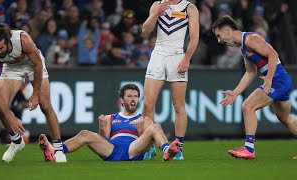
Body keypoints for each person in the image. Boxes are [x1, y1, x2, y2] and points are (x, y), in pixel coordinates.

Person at [211, 15, 297, 160]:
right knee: (285, 118)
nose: (219, 40)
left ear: (227, 30)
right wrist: (235, 93)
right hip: (279, 80)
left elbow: (273, 54)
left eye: (219, 36)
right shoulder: (244, 48)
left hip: (277, 80)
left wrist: (269, 78)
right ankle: (248, 148)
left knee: (248, 107)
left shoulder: (250, 39)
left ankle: (249, 149)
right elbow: (251, 72)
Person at [0, 23, 67, 163]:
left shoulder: (23, 40)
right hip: (11, 68)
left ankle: (58, 149)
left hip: (33, 64)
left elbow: (38, 64)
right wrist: (10, 115)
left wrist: (35, 93)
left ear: (8, 41)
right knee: (0, 109)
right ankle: (16, 141)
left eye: (1, 48)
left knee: (45, 105)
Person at [38, 84, 180, 161]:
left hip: (133, 148)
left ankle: (168, 151)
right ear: (122, 100)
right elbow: (104, 140)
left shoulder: (144, 119)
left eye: (136, 96)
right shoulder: (110, 118)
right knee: (85, 133)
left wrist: (140, 131)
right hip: (112, 149)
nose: (133, 99)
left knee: (156, 127)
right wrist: (102, 128)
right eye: (129, 96)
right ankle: (55, 151)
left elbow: (148, 146)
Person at [141, 0, 199, 160]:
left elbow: (194, 37)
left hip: (177, 55)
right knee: (147, 103)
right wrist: (155, 13)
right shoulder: (156, 4)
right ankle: (149, 146)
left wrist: (187, 59)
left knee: (179, 105)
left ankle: (178, 147)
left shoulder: (189, 7)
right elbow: (145, 31)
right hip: (158, 54)